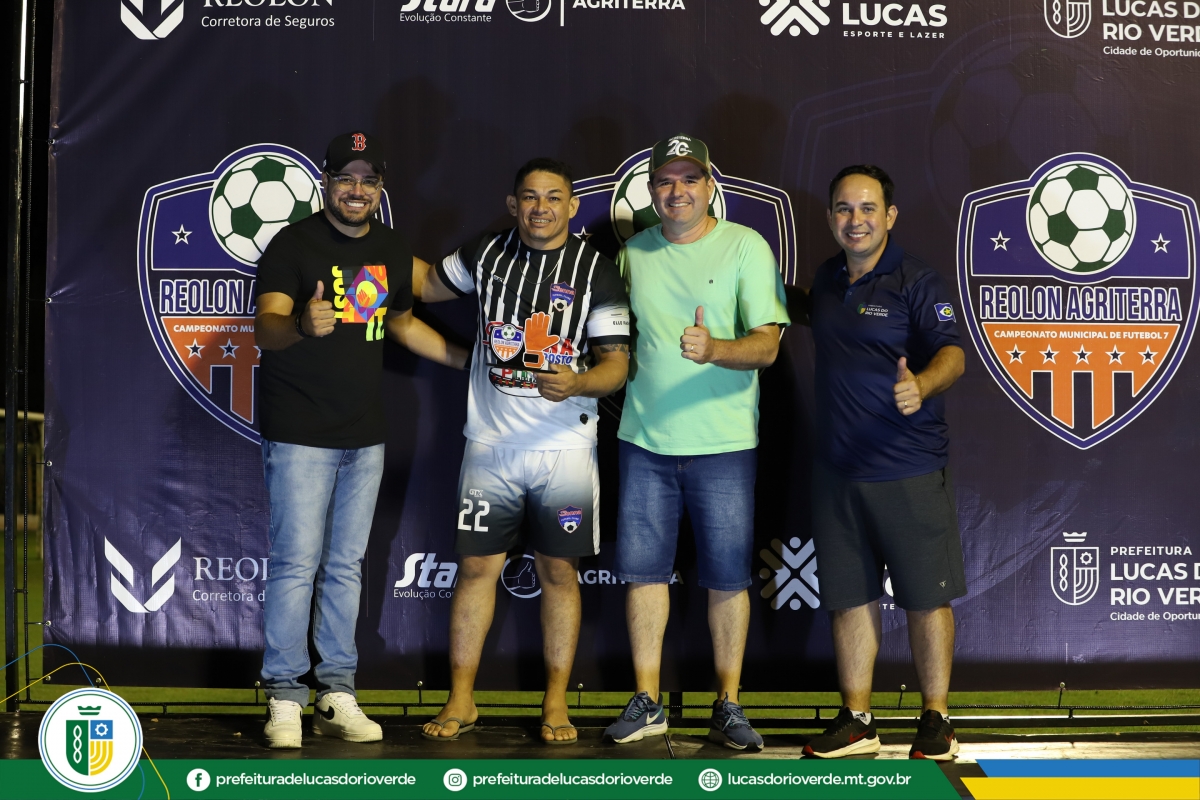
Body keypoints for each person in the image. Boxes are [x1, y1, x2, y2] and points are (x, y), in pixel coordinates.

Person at [254, 131, 465, 748]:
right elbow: (266, 327)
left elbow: (402, 321)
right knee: (296, 565)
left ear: (380, 187)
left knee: (344, 568)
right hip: (300, 434)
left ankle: (336, 692)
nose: (356, 189)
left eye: (368, 180)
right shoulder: (293, 243)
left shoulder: (391, 248)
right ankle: (284, 697)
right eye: (345, 178)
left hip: (364, 436)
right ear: (326, 182)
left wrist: (469, 360)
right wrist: (301, 322)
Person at [416, 158, 631, 745]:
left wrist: (579, 382)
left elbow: (616, 364)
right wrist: (366, 250)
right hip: (490, 447)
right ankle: (462, 697)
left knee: (558, 571)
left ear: (572, 206)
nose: (541, 208)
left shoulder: (596, 270)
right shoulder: (486, 254)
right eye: (530, 197)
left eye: (553, 197)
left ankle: (556, 701)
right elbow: (425, 285)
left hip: (564, 450)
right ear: (513, 204)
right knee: (476, 569)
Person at [604, 135, 790, 751]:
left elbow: (767, 345)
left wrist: (714, 349)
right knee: (644, 575)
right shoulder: (632, 253)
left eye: (689, 179)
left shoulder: (746, 245)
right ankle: (647, 702)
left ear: (710, 186)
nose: (677, 191)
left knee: (728, 579)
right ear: (651, 189)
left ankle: (728, 705)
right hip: (644, 440)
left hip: (724, 443)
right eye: (665, 180)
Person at [802, 165, 966, 761]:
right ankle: (858, 721)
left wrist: (921, 385)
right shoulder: (825, 279)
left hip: (908, 468)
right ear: (831, 218)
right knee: (850, 597)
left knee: (925, 598)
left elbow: (953, 353)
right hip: (837, 473)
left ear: (890, 216)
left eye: (868, 208)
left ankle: (936, 721)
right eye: (845, 209)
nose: (856, 220)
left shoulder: (917, 279)